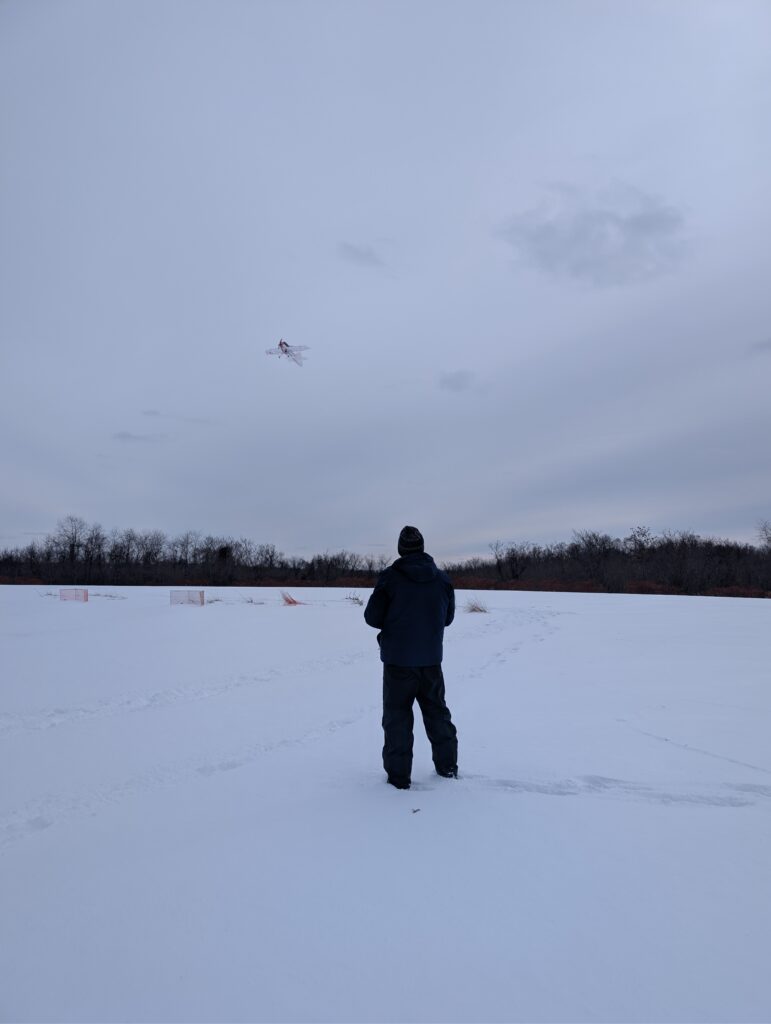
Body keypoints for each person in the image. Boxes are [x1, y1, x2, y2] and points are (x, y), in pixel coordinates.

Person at [364, 526, 458, 790]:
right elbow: (448, 618)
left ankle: (398, 777)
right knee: (437, 714)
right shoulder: (442, 579)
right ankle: (448, 768)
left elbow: (372, 618)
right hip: (430, 661)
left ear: (401, 549)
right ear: (422, 547)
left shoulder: (390, 579)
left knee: (397, 718)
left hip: (398, 663)